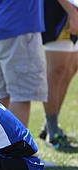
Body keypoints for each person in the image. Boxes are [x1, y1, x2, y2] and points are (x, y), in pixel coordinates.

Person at [0, 0, 48, 127]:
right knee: (21, 95)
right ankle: (16, 146)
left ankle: (1, 145)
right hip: (18, 24)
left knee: (1, 96)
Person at [39, 0, 78, 149]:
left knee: (71, 68)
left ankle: (48, 125)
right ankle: (53, 131)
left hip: (73, 10)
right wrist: (72, 12)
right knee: (57, 70)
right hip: (60, 12)